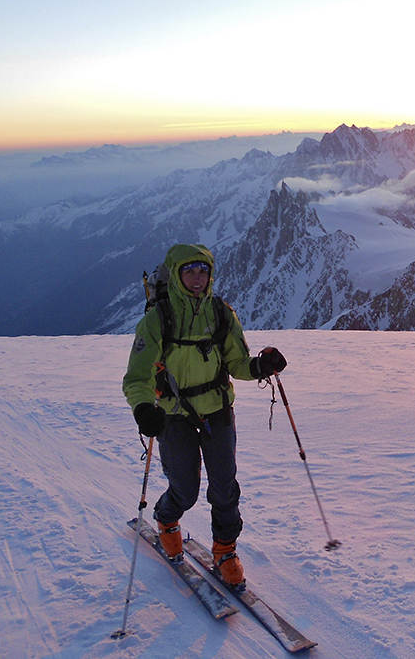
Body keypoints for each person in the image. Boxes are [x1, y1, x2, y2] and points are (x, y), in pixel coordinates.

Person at [122, 243, 287, 589]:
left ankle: (225, 550)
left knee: (225, 487)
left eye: (203, 271)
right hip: (173, 414)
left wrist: (260, 366)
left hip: (217, 409)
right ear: (177, 275)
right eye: (189, 271)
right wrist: (143, 408)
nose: (197, 278)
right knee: (185, 489)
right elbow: (137, 377)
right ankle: (167, 518)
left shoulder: (221, 314)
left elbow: (237, 363)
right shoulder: (158, 318)